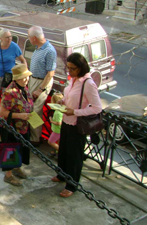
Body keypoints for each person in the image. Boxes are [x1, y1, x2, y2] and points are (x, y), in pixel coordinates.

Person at [52, 53, 102, 198]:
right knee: (64, 152)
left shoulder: (88, 84)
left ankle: (72, 185)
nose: (69, 71)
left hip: (77, 124)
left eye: (72, 69)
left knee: (74, 156)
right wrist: (63, 103)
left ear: (80, 68)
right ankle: (62, 175)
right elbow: (70, 96)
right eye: (68, 68)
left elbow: (97, 108)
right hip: (66, 121)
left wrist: (75, 111)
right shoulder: (73, 80)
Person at [0, 64, 34, 186]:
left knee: (21, 148)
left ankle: (17, 167)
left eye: (27, 77)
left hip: (23, 127)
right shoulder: (10, 92)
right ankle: (8, 175)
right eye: (22, 78)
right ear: (16, 79)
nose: (25, 80)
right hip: (11, 127)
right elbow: (2, 112)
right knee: (11, 149)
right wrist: (21, 116)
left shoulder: (24, 88)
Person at [27, 26, 57, 145]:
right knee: (30, 108)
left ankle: (35, 139)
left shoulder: (49, 50)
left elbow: (50, 73)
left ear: (34, 38)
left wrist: (40, 89)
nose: (28, 39)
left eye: (29, 37)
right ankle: (31, 135)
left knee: (35, 110)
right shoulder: (38, 48)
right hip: (33, 80)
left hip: (41, 82)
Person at [0, 29, 26, 110]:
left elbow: (23, 60)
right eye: (7, 37)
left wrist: (24, 74)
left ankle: (2, 117)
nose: (10, 39)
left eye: (11, 37)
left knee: (6, 99)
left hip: (9, 77)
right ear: (1, 38)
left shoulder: (14, 47)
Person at [48, 93, 64, 157]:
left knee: (50, 141)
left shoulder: (57, 112)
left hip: (57, 130)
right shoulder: (61, 110)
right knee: (59, 141)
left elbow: (59, 123)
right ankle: (58, 152)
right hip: (59, 130)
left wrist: (51, 121)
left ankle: (61, 151)